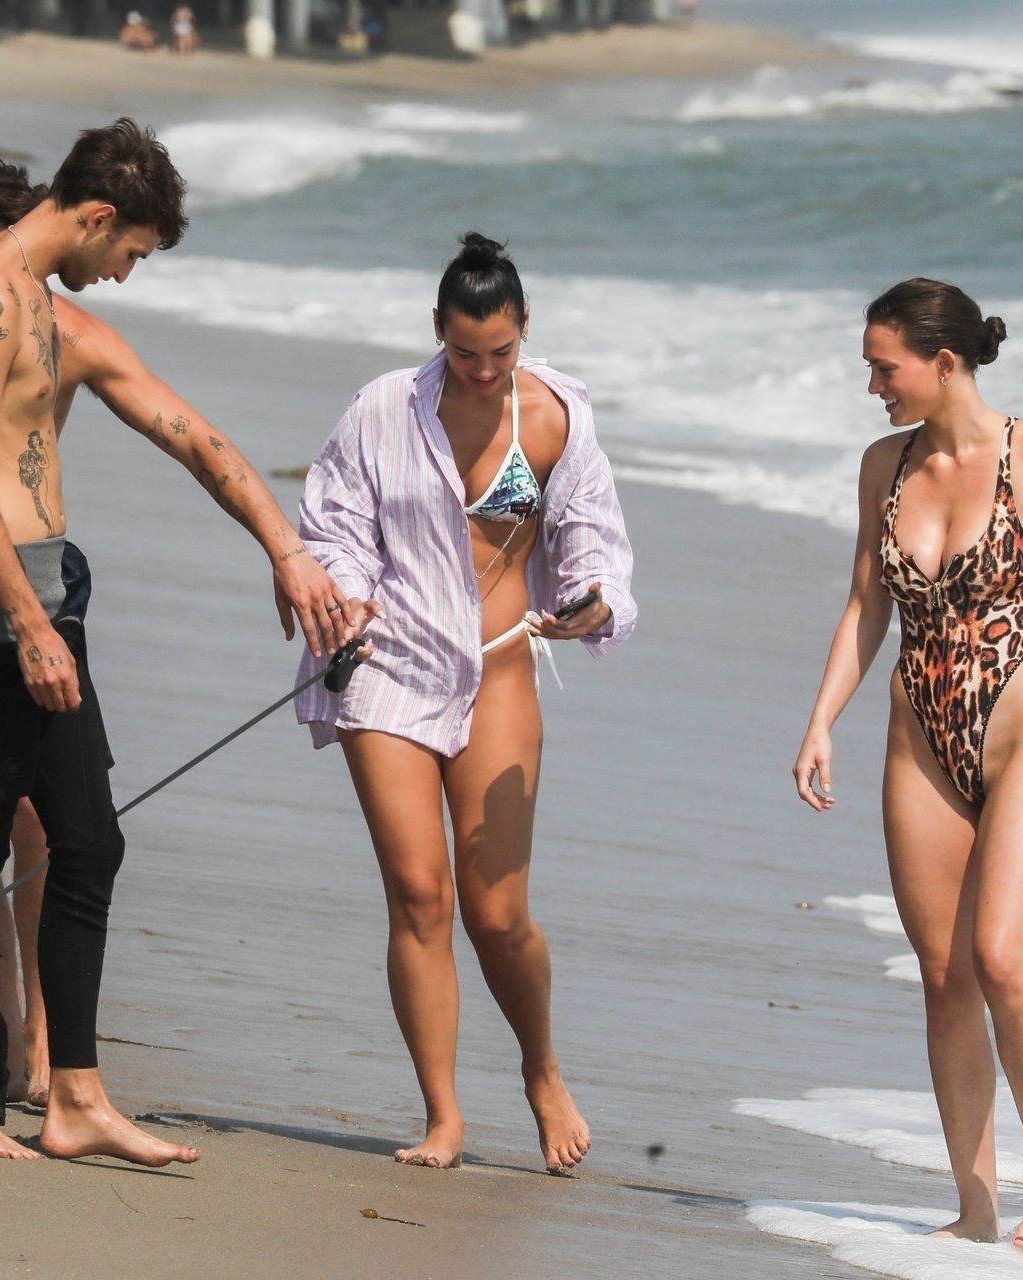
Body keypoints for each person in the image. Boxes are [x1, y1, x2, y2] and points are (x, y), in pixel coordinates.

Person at [0, 148, 345, 1121]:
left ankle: (42, 1044)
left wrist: (286, 545)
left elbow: (194, 437)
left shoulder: (63, 328)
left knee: (53, 830)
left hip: (35, 585)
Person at [792, 278, 1023, 1248]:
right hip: (921, 736)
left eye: (883, 368)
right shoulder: (884, 466)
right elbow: (867, 605)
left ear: (943, 363)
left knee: (1002, 960)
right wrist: (821, 721)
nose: (873, 386)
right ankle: (976, 1205)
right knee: (944, 975)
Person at [294, 234, 637, 1173]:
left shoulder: (556, 418)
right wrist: (347, 596)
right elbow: (333, 523)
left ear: (524, 330)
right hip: (388, 662)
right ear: (437, 333)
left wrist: (593, 602)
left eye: (500, 351)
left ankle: (541, 1070)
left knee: (497, 914)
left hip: (498, 667)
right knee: (418, 894)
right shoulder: (383, 409)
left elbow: (595, 544)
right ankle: (442, 1115)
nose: (482, 371)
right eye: (463, 352)